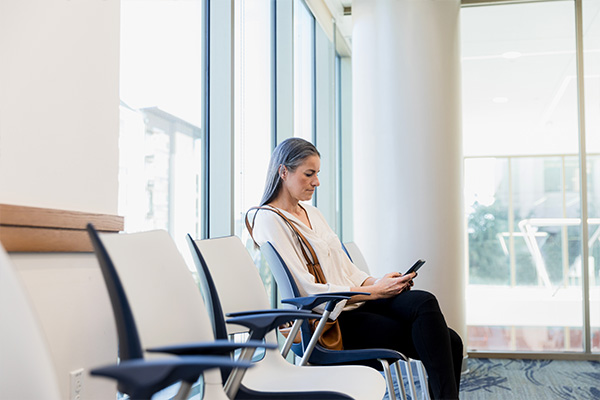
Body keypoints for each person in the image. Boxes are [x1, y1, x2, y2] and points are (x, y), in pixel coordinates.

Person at [248, 137, 463, 400]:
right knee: (448, 341)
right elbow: (306, 289)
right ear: (283, 172)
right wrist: (375, 293)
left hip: (356, 303)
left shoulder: (312, 214)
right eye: (309, 174)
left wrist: (380, 283)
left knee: (425, 304)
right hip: (332, 319)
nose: (317, 182)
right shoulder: (268, 219)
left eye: (317, 173)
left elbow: (346, 269)